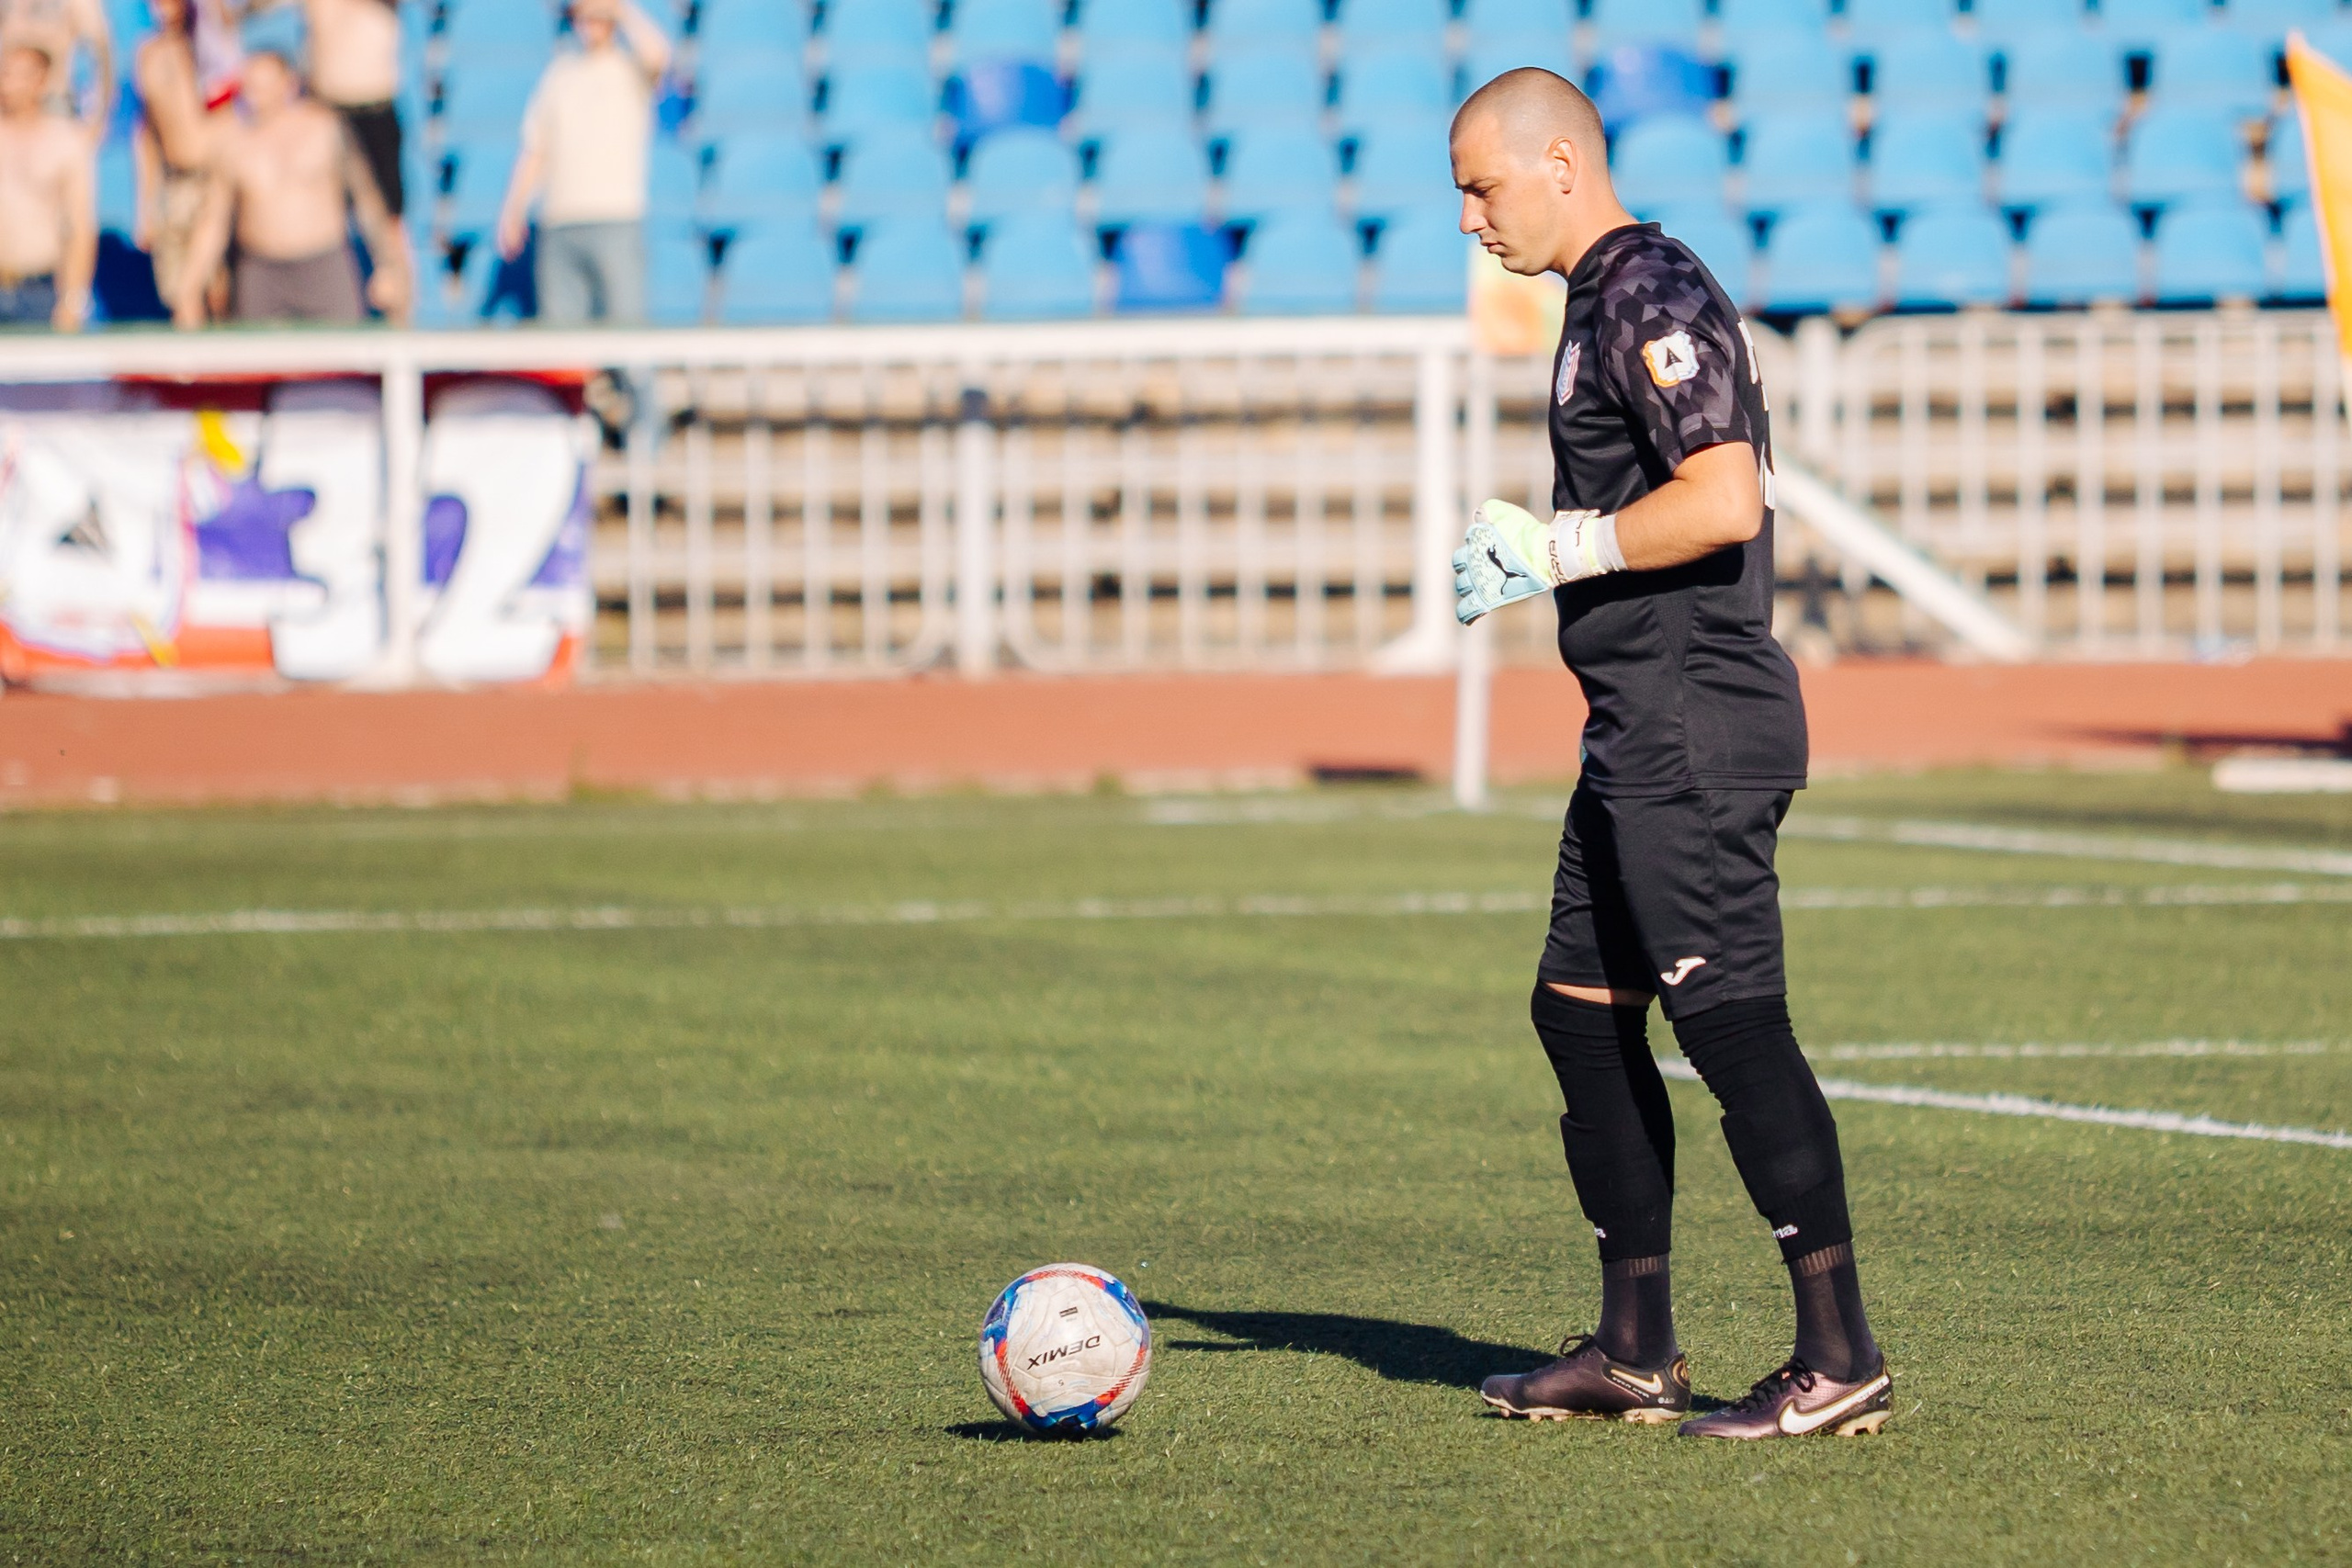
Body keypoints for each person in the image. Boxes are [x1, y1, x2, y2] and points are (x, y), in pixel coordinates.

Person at [1448, 68, 1892, 1442]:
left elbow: (1724, 493)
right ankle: (1636, 1346)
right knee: (1577, 1010)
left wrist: (1563, 544)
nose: (1471, 216)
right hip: (1634, 728)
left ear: (1563, 163)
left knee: (1731, 1019)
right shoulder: (1592, 301)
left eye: (1484, 184)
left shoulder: (1650, 288)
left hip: (1697, 727)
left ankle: (1838, 1354)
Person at [170, 47, 408, 326]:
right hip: (261, 273)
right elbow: (214, 221)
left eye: (265, 85)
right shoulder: (234, 144)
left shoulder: (323, 128)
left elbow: (367, 201)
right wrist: (190, 289)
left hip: (324, 268)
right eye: (250, 86)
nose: (256, 95)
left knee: (339, 364)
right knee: (261, 366)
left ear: (289, 84)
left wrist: (388, 265)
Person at [495, 0, 668, 325]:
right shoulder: (559, 74)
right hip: (560, 221)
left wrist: (621, 10)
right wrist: (514, 208)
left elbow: (660, 54)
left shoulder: (630, 68)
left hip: (617, 218)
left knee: (628, 337)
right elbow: (536, 148)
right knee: (564, 345)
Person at [238, 0, 407, 218]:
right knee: (323, 207)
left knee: (387, 208)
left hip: (373, 105)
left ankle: (396, 251)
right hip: (324, 107)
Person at [133, 0, 237, 309]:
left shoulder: (212, 49)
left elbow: (228, 122)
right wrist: (146, 206)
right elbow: (148, 133)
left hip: (212, 181)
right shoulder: (148, 54)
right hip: (174, 184)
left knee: (218, 290)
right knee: (179, 295)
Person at [0, 41, 95, 328]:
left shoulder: (65, 142)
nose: (7, 83)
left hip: (40, 292)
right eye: (5, 73)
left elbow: (79, 230)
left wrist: (72, 302)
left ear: (40, 81)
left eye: (17, 75)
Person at [0, 0, 111, 133]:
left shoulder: (77, 4)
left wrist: (97, 121)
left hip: (54, 106)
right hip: (8, 107)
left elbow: (101, 54)